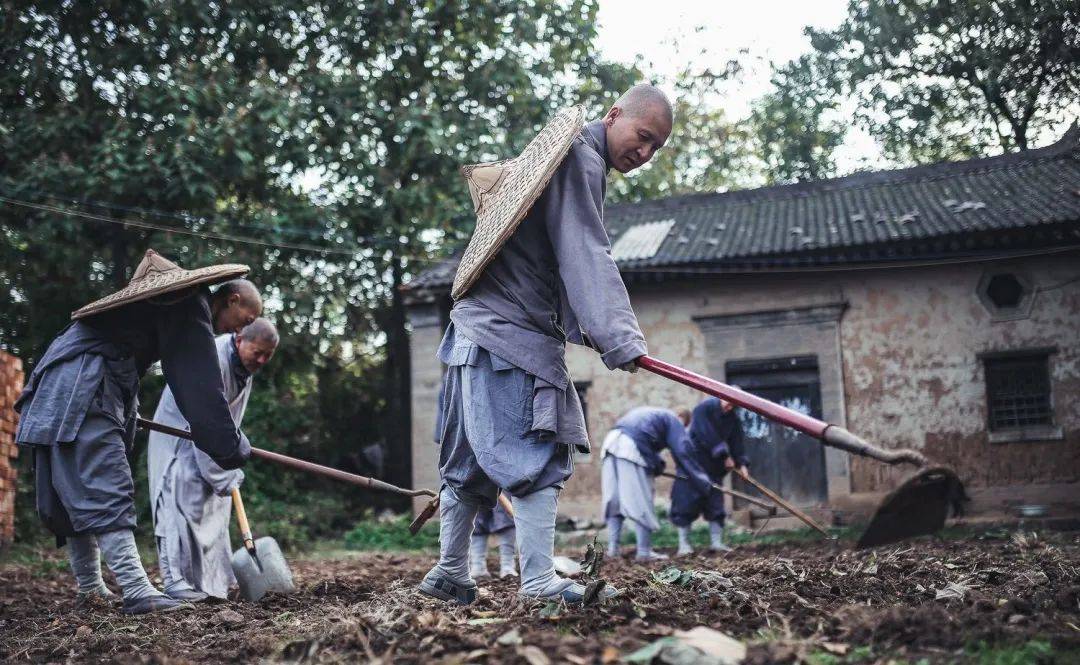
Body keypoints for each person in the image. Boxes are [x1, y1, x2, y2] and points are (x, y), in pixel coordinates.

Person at [420, 84, 674, 605]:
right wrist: (620, 336)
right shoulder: (580, 159)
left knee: (466, 465)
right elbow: (586, 253)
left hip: (470, 333)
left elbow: (559, 263)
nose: (645, 154)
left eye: (656, 149)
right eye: (643, 137)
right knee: (541, 449)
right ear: (613, 115)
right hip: (511, 336)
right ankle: (537, 583)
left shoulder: (561, 162)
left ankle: (449, 573)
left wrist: (603, 335)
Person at [14, 249, 258, 614]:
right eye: (247, 318)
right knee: (104, 479)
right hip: (85, 382)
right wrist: (233, 445)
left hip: (56, 382)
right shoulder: (188, 303)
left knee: (72, 491)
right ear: (231, 299)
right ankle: (136, 589)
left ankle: (92, 589)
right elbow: (201, 391)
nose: (242, 329)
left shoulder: (154, 309)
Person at [148, 318, 279, 602]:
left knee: (214, 513)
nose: (262, 360)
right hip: (180, 440)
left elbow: (232, 420)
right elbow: (205, 421)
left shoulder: (246, 368)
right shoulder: (213, 358)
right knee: (180, 512)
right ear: (240, 338)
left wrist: (230, 457)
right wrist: (224, 467)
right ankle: (176, 583)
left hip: (210, 443)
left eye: (268, 356)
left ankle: (208, 588)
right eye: (257, 352)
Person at [601, 406, 691, 561]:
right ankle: (644, 552)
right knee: (641, 499)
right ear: (679, 417)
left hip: (611, 442)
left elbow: (650, 449)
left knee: (613, 500)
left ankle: (613, 550)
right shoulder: (671, 418)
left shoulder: (651, 416)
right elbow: (680, 450)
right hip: (631, 448)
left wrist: (656, 463)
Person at [671, 396, 748, 555]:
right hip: (693, 465)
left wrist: (742, 464)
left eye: (734, 406)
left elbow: (737, 441)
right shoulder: (703, 408)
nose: (729, 408)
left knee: (715, 503)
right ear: (722, 397)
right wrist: (724, 455)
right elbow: (706, 433)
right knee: (686, 503)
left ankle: (716, 543)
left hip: (714, 466)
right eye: (728, 404)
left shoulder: (732, 417)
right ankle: (684, 545)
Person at [469, 495, 517, 580]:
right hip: (475, 484)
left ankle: (507, 566)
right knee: (475, 516)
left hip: (502, 484)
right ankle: (477, 566)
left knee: (505, 517)